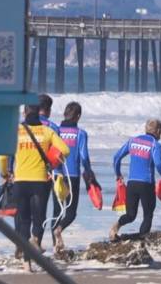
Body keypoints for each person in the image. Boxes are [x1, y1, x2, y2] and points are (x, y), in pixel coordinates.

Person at [0, 105, 69, 270]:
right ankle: (35, 241)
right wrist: (53, 162)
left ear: (24, 113)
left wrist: (5, 173)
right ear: (40, 113)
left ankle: (26, 264)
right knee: (39, 219)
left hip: (20, 181)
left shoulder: (14, 131)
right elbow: (65, 150)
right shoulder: (47, 131)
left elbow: (2, 156)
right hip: (40, 181)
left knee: (24, 221)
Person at [109, 118, 161, 241]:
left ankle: (115, 227)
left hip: (131, 184)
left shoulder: (132, 141)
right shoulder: (155, 145)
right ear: (158, 131)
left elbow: (116, 158)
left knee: (131, 215)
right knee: (148, 216)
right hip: (146, 184)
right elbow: (158, 164)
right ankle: (142, 239)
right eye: (160, 131)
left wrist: (118, 174)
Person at [51, 102, 95, 252]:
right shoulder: (80, 134)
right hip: (72, 176)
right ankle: (60, 230)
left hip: (56, 174)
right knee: (71, 212)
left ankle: (54, 246)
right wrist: (89, 171)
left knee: (56, 211)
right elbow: (84, 156)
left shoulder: (55, 130)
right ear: (78, 116)